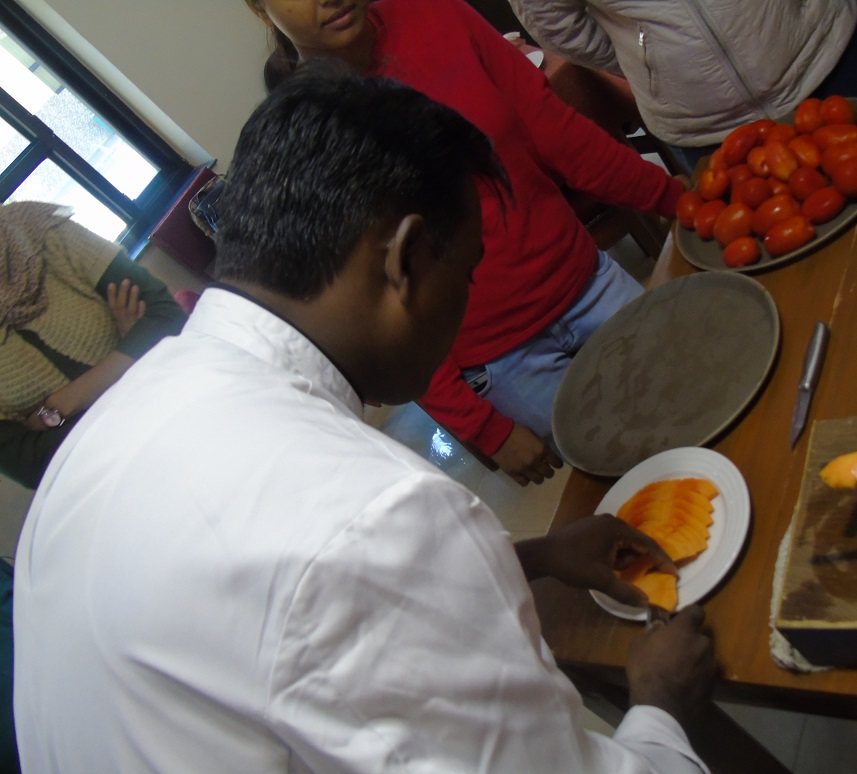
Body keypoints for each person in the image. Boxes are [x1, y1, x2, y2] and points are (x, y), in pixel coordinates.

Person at [13, 68, 716, 773]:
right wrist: (660, 704)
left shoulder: (108, 430)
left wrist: (530, 558)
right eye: (467, 274)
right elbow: (335, 573)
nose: (465, 304)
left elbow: (270, 628)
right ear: (406, 260)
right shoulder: (379, 514)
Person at [246, 0, 689, 487]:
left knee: (693, 397)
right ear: (260, 9)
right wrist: (483, 428)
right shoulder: (308, 133)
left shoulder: (436, 13)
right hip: (504, 363)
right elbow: (376, 315)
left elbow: (558, 133)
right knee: (644, 477)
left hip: (585, 281)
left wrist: (677, 199)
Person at [508, 0, 857, 173]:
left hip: (824, 54)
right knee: (795, 280)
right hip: (703, 126)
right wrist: (653, 62)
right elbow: (554, 21)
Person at [0, 202, 186, 489]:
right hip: (124, 481)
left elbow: (167, 317)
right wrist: (132, 355)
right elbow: (35, 467)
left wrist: (63, 405)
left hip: (186, 404)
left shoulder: (36, 227)